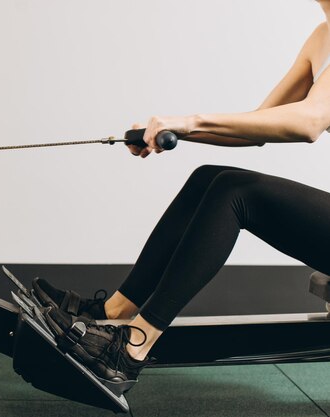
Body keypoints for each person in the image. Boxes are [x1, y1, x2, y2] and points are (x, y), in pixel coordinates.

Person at [38, 0, 330, 388]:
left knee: (235, 191)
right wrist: (168, 132)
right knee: (208, 178)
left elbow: (310, 121)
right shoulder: (322, 37)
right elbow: (258, 128)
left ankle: (130, 350)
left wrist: (188, 121)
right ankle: (114, 311)